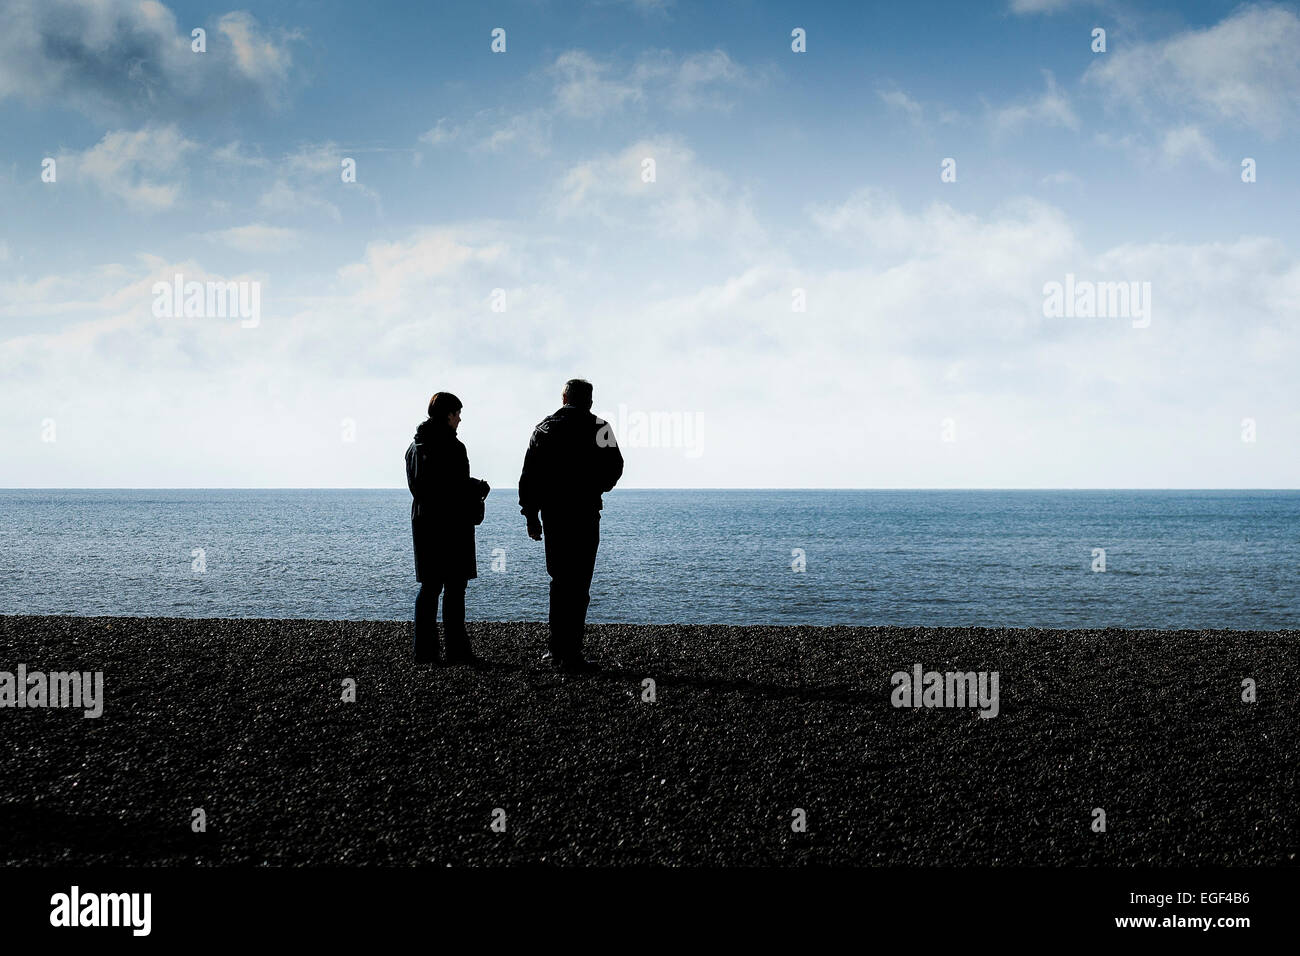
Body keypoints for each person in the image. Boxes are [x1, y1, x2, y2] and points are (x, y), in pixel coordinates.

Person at [518, 379, 624, 673]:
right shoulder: (600, 427)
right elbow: (616, 466)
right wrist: (597, 487)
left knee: (559, 581)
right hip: (585, 513)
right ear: (589, 400)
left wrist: (531, 514)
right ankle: (571, 652)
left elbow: (530, 476)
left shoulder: (544, 429)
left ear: (564, 397)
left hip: (554, 515)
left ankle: (556, 649)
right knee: (579, 585)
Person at [405, 391, 490, 665]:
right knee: (455, 588)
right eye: (457, 414)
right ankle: (457, 650)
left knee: (429, 587)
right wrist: (477, 488)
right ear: (448, 415)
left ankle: (425, 651)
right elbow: (454, 487)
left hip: (424, 522)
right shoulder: (453, 447)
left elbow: (428, 486)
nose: (460, 419)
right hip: (452, 526)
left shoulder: (415, 448)